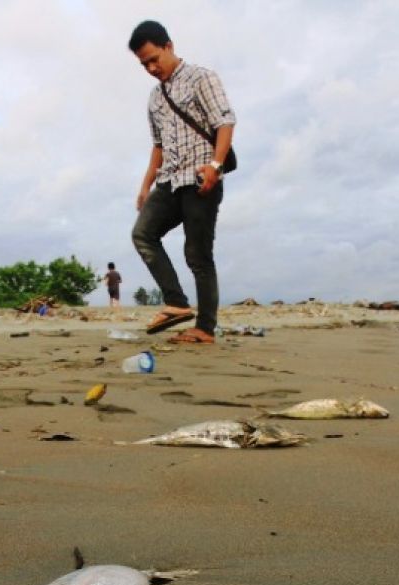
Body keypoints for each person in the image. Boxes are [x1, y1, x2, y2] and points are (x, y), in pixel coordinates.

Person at [128, 20, 235, 344]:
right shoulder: (155, 98)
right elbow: (158, 145)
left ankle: (204, 328)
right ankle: (176, 303)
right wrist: (146, 185)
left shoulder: (202, 77)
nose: (150, 67)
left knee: (197, 253)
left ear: (169, 46)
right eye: (143, 63)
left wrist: (216, 165)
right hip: (169, 180)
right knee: (143, 234)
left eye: (153, 58)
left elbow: (225, 121)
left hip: (201, 177)